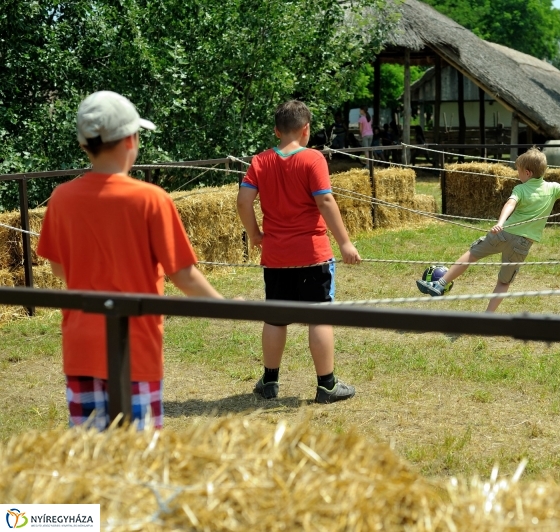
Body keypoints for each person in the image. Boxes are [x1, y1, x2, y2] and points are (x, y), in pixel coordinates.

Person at [36, 90, 225, 431]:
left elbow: (59, 267)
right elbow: (182, 274)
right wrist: (224, 306)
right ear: (132, 139)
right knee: (138, 456)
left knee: (89, 452)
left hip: (80, 346)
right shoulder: (151, 199)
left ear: (83, 145)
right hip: (135, 347)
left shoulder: (61, 199)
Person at [236, 100, 361, 404]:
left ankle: (269, 381)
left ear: (277, 130)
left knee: (275, 318)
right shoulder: (313, 158)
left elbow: (243, 201)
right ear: (306, 129)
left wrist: (254, 234)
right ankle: (327, 385)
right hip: (312, 254)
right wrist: (344, 242)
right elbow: (326, 202)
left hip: (276, 257)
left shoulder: (260, 161)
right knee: (319, 316)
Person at [416, 148, 560, 312]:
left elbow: (510, 205)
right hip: (522, 244)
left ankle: (441, 283)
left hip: (503, 233)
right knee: (504, 282)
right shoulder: (553, 187)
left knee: (471, 254)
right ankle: (487, 317)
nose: (517, 174)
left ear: (527, 173)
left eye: (518, 171)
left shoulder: (520, 189)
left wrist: (501, 222)